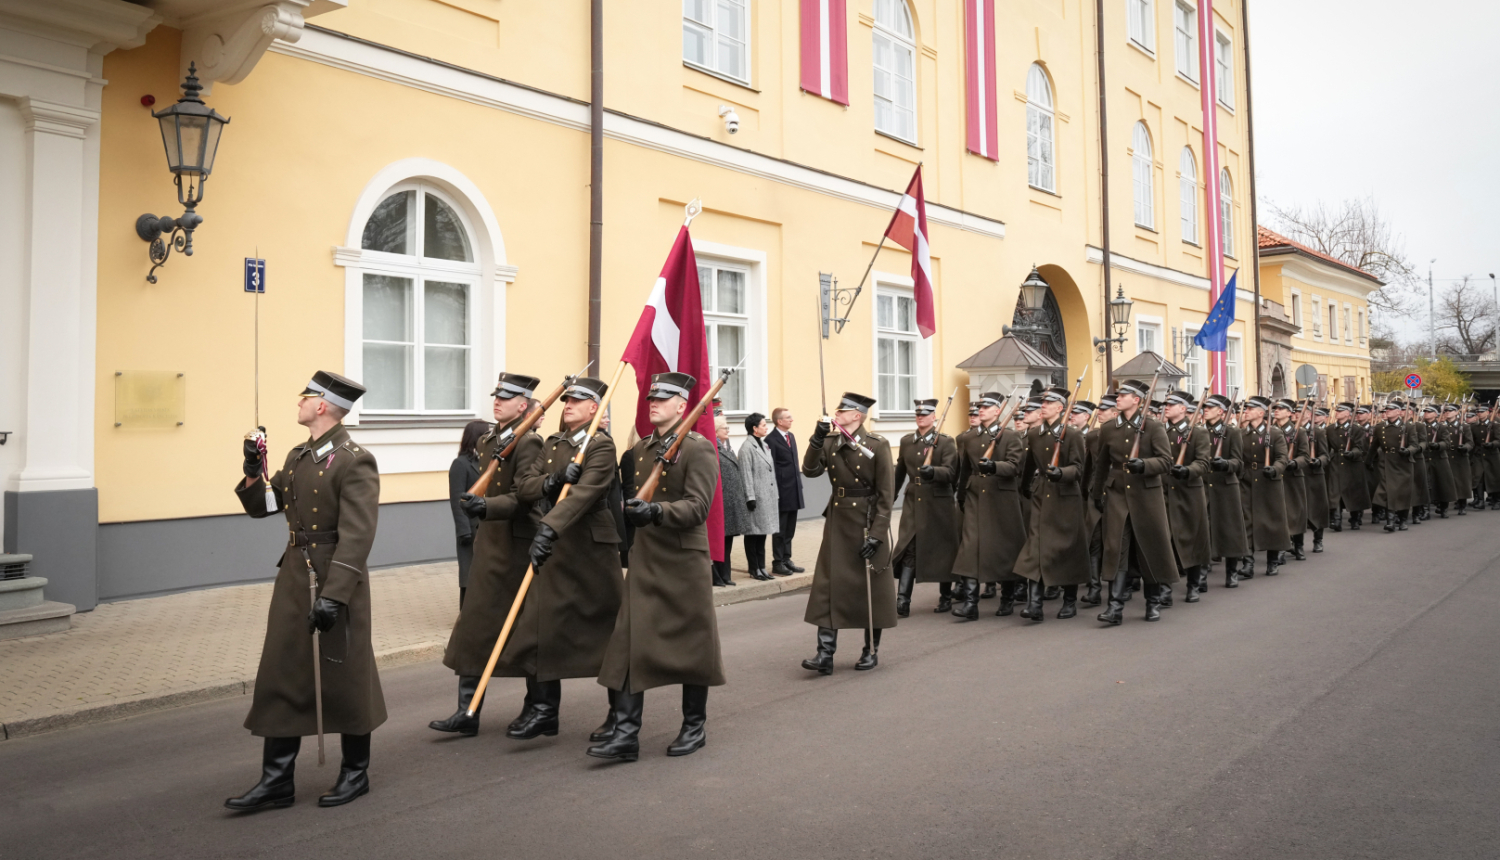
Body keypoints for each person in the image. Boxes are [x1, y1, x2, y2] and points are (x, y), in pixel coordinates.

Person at [227, 370, 383, 811]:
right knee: (283, 671)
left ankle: (356, 772)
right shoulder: (299, 456)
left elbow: (358, 534)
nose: (299, 401)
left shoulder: (354, 459)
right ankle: (276, 781)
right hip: (295, 578)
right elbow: (266, 507)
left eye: (306, 396)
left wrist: (335, 594)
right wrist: (253, 471)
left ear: (323, 405)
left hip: (336, 578)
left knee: (345, 673)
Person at [481, 375, 624, 745]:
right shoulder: (554, 443)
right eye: (566, 401)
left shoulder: (601, 446)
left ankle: (619, 714)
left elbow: (585, 494)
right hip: (557, 545)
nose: (568, 406)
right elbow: (527, 485)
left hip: (590, 550)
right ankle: (544, 711)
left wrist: (549, 526)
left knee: (607, 634)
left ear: (594, 408)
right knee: (539, 627)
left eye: (576, 402)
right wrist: (553, 480)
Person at [591, 372, 724, 761]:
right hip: (647, 558)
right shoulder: (644, 449)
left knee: (691, 646)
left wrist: (656, 511)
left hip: (683, 560)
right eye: (652, 398)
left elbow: (699, 506)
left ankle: (693, 726)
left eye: (663, 399)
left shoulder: (698, 448)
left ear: (683, 406)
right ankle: (627, 735)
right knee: (631, 641)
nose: (654, 403)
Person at [430, 374, 544, 739]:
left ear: (523, 405)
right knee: (473, 627)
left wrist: (487, 506)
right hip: (488, 544)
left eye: (507, 397)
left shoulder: (529, 443)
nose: (498, 401)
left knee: (523, 631)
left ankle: (537, 707)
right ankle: (467, 710)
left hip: (515, 545)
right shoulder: (488, 439)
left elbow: (526, 495)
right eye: (497, 396)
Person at [799, 392, 896, 673]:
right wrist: (816, 439)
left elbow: (885, 496)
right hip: (839, 520)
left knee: (872, 589)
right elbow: (809, 470)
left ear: (856, 415)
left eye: (841, 412)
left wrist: (878, 534)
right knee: (829, 586)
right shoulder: (830, 441)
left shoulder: (877, 444)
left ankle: (871, 650)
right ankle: (825, 654)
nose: (836, 415)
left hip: (866, 521)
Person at [1090, 378, 1179, 624]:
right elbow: (1102, 466)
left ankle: (1152, 603)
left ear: (1136, 400)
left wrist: (1145, 465)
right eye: (1117, 395)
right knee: (1115, 548)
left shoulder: (1153, 426)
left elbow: (1166, 461)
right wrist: (1098, 495)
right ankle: (1115, 608)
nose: (1117, 398)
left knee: (1148, 547)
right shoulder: (1109, 428)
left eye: (1123, 395)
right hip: (1117, 495)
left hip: (1147, 495)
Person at [1012, 386, 1090, 620]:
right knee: (1035, 548)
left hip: (1065, 497)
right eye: (1042, 403)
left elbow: (1078, 469)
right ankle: (1034, 604)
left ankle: (1069, 601)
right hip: (1041, 495)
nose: (1042, 406)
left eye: (1048, 403)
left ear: (1060, 407)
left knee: (1066, 549)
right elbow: (1029, 465)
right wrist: (1025, 487)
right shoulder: (1034, 434)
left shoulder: (1073, 434)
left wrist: (1062, 473)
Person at [951, 392, 1027, 620]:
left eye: (985, 407)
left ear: (997, 411)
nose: (980, 410)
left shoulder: (1010, 436)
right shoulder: (970, 438)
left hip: (1000, 497)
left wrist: (994, 466)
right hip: (975, 496)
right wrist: (962, 493)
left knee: (1004, 548)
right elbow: (965, 468)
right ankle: (971, 604)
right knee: (969, 547)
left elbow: (1015, 467)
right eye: (978, 407)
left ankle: (1007, 597)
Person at [891, 398, 960, 617]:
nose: (921, 417)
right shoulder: (907, 441)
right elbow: (899, 474)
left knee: (943, 549)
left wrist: (935, 472)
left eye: (925, 414)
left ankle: (946, 597)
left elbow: (951, 473)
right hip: (914, 500)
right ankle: (902, 600)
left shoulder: (946, 442)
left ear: (934, 417)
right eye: (918, 414)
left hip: (938, 501)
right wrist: (888, 499)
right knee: (909, 547)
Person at [1160, 390, 1212, 602]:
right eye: (1166, 405)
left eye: (1171, 405)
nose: (1166, 408)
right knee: (1165, 540)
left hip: (1188, 491)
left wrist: (1188, 470)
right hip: (1163, 491)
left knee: (1192, 538)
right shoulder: (1159, 430)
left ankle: (1194, 583)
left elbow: (1204, 462)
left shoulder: (1197, 432)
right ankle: (1165, 589)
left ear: (1183, 408)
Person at [1239, 396, 1293, 576]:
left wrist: (1275, 469)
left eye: (1250, 409)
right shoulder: (1242, 433)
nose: (1246, 411)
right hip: (1247, 481)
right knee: (1246, 521)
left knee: (1271, 522)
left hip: (1269, 481)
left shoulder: (1275, 433)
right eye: (1246, 409)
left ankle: (1272, 561)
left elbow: (1282, 458)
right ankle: (1248, 563)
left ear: (1261, 413)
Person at [1201, 394, 1249, 587]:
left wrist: (1226, 464)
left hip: (1225, 486)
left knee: (1230, 530)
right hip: (1204, 485)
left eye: (1209, 407)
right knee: (1203, 530)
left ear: (1220, 411)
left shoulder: (1231, 432)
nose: (1205, 409)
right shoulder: (1199, 431)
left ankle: (1231, 572)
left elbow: (1238, 462)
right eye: (1204, 407)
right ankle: (1202, 575)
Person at [448, 419, 490, 607]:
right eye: (486, 434)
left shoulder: (488, 461)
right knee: (468, 574)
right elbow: (457, 499)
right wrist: (463, 530)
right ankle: (465, 611)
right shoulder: (460, 464)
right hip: (470, 528)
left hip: (487, 526)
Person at [738, 412, 781, 583]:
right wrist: (750, 497)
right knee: (753, 534)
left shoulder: (763, 445)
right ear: (754, 428)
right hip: (755, 498)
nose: (766, 427)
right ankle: (754, 568)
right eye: (763, 425)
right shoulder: (746, 448)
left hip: (767, 497)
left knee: (762, 534)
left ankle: (761, 567)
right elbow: (745, 474)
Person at [1367, 400, 1418, 532]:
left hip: (1403, 462)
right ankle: (1390, 521)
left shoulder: (1408, 427)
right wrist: (1368, 461)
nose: (1387, 412)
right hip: (1386, 462)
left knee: (1403, 492)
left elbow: (1414, 445)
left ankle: (1402, 520)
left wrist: (1408, 451)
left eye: (1390, 410)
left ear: (1398, 412)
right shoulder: (1380, 427)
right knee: (1388, 491)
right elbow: (1374, 446)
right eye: (1386, 410)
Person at [767, 407, 806, 576]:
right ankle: (777, 562)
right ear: (779, 421)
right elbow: (772, 468)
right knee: (780, 529)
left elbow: (794, 463)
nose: (792, 420)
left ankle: (786, 559)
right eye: (788, 417)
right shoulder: (771, 440)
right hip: (781, 492)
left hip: (794, 489)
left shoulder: (791, 437)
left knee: (790, 528)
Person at [1271, 400, 1310, 563]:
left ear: (1289, 413)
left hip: (1292, 476)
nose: (1277, 411)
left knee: (1295, 512)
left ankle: (1298, 545)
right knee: (1279, 513)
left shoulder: (1298, 432)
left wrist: (1295, 463)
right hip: (1275, 476)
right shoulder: (1270, 431)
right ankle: (1281, 547)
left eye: (1281, 409)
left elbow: (1305, 456)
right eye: (1276, 409)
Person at [713, 412, 750, 585]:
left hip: (731, 502)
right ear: (715, 431)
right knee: (720, 541)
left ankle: (726, 575)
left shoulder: (727, 446)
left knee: (727, 542)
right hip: (721, 502)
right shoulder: (713, 448)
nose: (727, 430)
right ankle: (718, 575)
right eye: (724, 428)